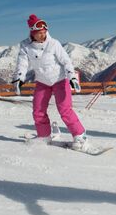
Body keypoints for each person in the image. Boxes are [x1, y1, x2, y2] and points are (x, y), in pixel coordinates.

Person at [12, 14, 88, 150]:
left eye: (44, 32)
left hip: (60, 80)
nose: (43, 35)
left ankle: (80, 135)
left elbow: (66, 61)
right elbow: (22, 63)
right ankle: (43, 136)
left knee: (65, 109)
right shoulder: (25, 46)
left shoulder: (54, 44)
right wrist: (19, 78)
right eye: (39, 33)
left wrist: (72, 77)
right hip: (42, 82)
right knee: (38, 110)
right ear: (32, 33)